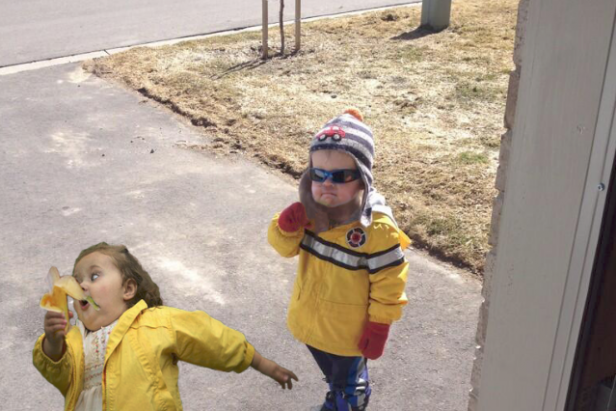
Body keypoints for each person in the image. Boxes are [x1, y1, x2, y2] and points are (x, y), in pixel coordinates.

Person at [33, 242, 297, 411]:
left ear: (127, 289)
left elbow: (209, 337)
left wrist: (262, 363)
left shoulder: (155, 322)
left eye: (94, 275)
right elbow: (62, 375)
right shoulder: (75, 340)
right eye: (77, 281)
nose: (82, 286)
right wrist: (53, 343)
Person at [268, 109, 410, 411]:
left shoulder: (376, 228)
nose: (326, 184)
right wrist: (284, 227)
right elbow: (284, 248)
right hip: (311, 320)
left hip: (350, 333)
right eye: (318, 175)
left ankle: (350, 397)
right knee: (332, 372)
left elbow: (389, 283)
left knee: (345, 386)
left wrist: (380, 326)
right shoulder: (309, 211)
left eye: (340, 176)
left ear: (362, 179)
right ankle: (342, 385)